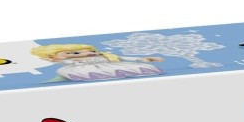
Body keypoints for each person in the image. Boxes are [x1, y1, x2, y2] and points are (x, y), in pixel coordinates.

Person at [30, 42, 163, 80]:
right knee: (87, 72)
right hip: (86, 69)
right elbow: (66, 62)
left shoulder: (105, 56)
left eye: (90, 50)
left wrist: (142, 59)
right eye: (75, 53)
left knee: (133, 67)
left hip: (111, 66)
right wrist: (55, 60)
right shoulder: (72, 61)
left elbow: (122, 58)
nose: (86, 53)